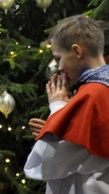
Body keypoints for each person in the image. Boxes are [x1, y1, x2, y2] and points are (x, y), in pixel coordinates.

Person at [24, 15, 109, 193]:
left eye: (58, 58)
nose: (59, 67)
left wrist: (57, 107)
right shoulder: (95, 90)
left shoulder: (93, 94)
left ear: (77, 52)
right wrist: (58, 128)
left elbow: (51, 159)